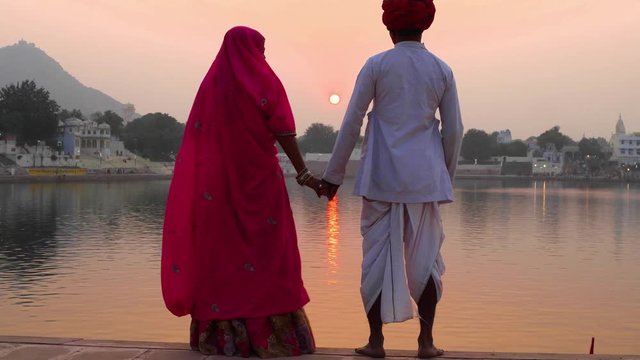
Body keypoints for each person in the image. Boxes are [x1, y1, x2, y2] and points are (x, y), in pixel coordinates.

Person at [161, 26, 321, 358]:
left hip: (217, 192)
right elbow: (284, 130)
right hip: (261, 188)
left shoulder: (211, 87)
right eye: (262, 49)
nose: (263, 56)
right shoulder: (265, 80)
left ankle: (222, 338)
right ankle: (273, 338)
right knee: (269, 259)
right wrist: (304, 174)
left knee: (222, 258)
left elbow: (198, 140)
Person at [320, 0, 464, 358]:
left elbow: (352, 121)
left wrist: (333, 177)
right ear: (425, 26)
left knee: (376, 261)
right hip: (425, 181)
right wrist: (444, 177)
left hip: (381, 179)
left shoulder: (377, 65)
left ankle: (376, 342)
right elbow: (455, 130)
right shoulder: (441, 70)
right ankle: (426, 343)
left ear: (389, 27)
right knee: (427, 260)